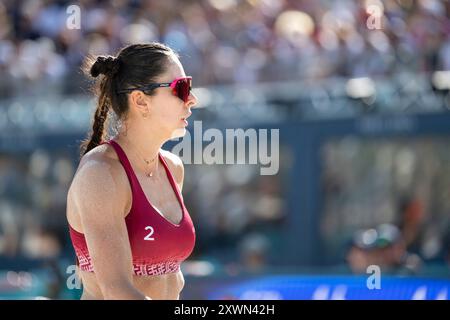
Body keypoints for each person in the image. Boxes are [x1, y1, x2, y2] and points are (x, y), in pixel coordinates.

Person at [66, 42, 198, 299]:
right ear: (140, 100)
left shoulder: (173, 168)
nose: (192, 99)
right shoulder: (100, 174)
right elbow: (117, 290)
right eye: (181, 88)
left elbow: (170, 278)